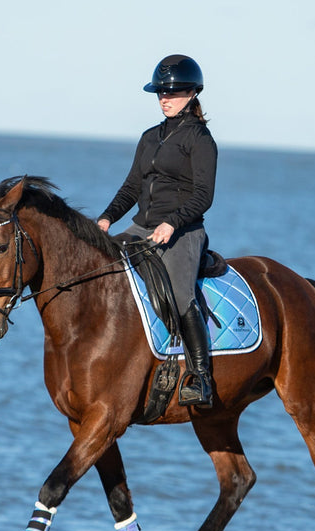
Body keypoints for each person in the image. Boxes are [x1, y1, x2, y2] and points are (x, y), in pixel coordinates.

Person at [97, 54, 217, 408]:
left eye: (174, 92)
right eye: (161, 92)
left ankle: (200, 377)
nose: (166, 98)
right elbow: (132, 186)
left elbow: (203, 195)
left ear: (193, 93)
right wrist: (106, 218)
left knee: (181, 296)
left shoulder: (200, 139)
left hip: (183, 232)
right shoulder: (149, 137)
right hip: (140, 226)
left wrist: (172, 223)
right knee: (100, 268)